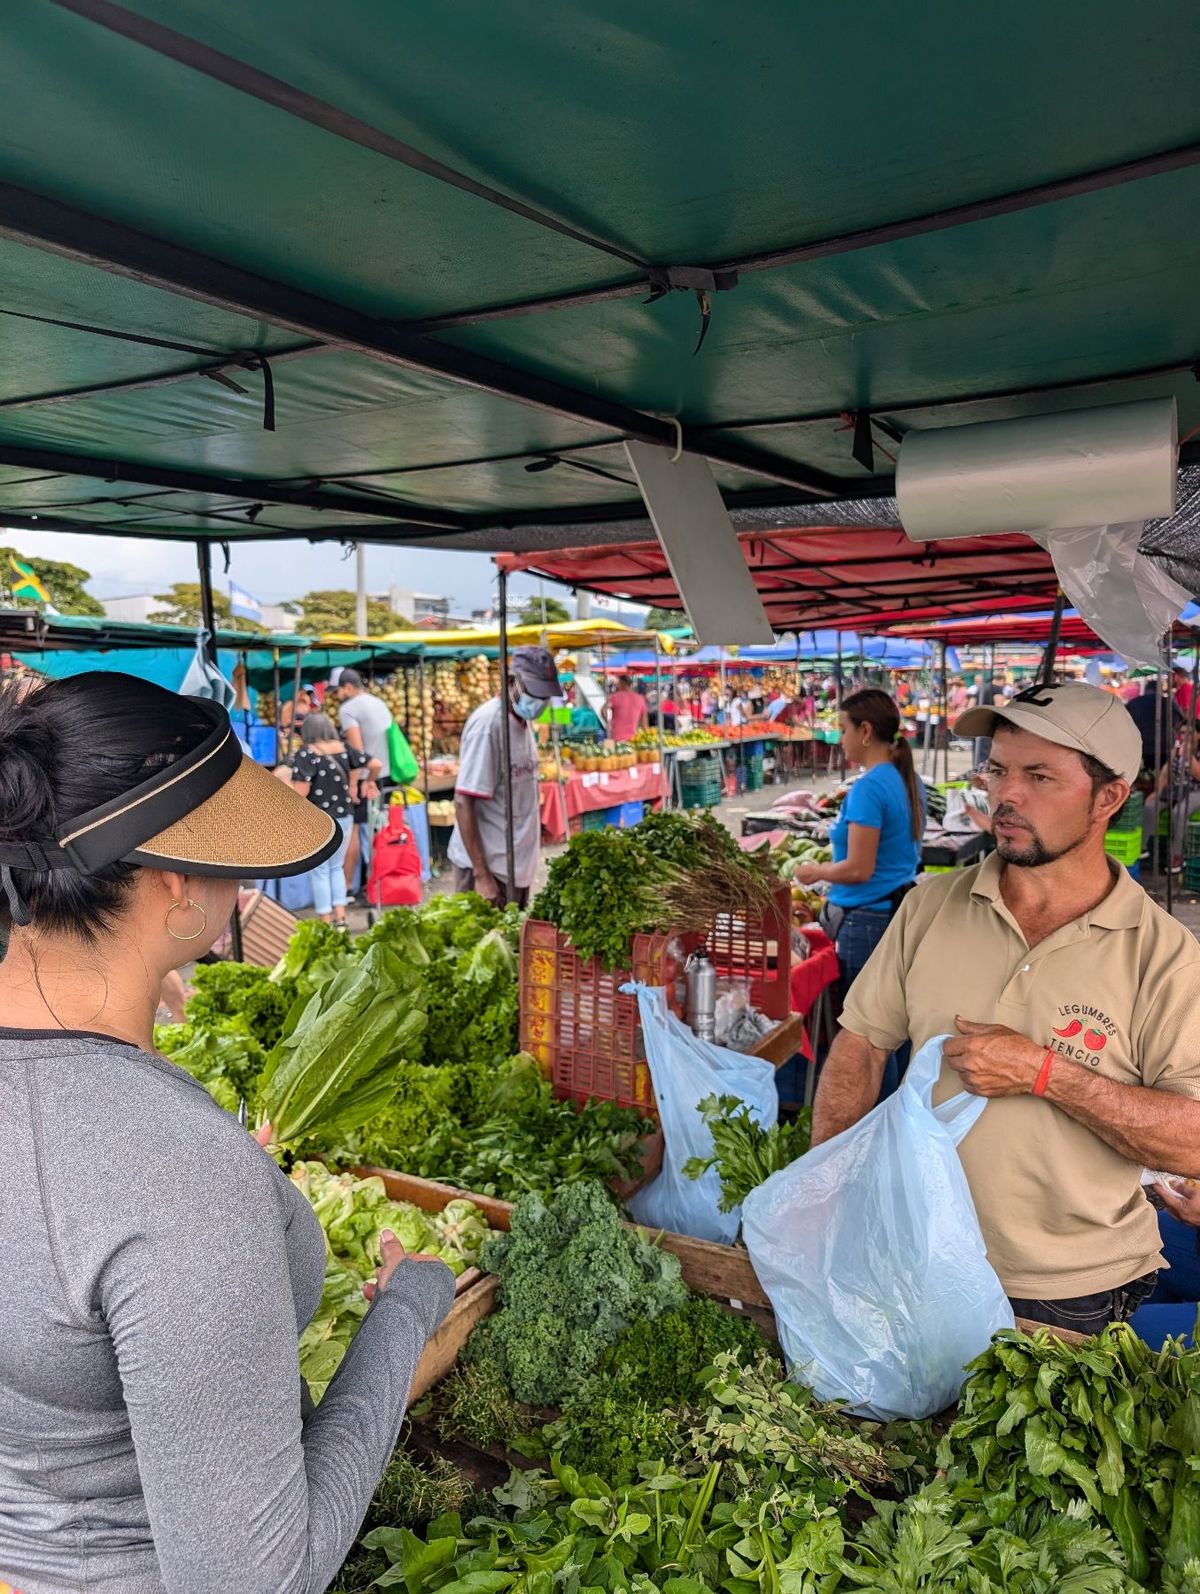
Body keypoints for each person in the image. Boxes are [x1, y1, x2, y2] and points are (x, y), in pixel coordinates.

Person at [0, 672, 454, 1592]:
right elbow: (258, 1579)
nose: (244, 885)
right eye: (230, 859)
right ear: (174, 885)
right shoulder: (174, 1176)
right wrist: (405, 1315)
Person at [812, 681, 1200, 1334]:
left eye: (1039, 776)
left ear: (1109, 797)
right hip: (914, 1254)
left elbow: (1190, 1142)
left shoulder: (1164, 956)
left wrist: (1046, 1073)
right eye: (997, 770)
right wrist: (824, 1191)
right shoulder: (929, 907)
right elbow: (862, 1044)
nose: (1005, 795)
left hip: (1066, 1290)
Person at [792, 689, 924, 1098]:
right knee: (892, 1032)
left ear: (865, 731)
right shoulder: (906, 779)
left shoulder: (870, 788)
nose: (840, 739)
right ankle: (896, 1113)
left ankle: (877, 1120)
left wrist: (814, 872)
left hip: (867, 922)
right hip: (894, 913)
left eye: (843, 729)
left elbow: (858, 869)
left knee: (869, 1042)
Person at [448, 644, 561, 907]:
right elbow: (464, 801)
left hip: (513, 865)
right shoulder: (488, 725)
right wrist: (481, 875)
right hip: (488, 869)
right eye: (535, 693)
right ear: (512, 682)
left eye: (545, 695)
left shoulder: (522, 722)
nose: (540, 702)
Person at [290, 712, 379, 925]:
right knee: (336, 867)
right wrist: (368, 782)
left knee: (320, 869)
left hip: (317, 819)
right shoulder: (344, 749)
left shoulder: (306, 754)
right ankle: (340, 916)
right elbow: (375, 763)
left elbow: (301, 792)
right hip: (344, 816)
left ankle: (325, 918)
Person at [1142, 716, 1200, 871]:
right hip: (1176, 789)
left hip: (1196, 790)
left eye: (1189, 733)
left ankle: (1177, 856)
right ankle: (1143, 847)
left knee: (1179, 812)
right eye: (1182, 733)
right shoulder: (1176, 751)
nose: (1185, 736)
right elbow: (1165, 773)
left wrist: (1189, 757)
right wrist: (1158, 791)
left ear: (1198, 735)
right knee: (1150, 805)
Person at [333, 667, 392, 777]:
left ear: (348, 687)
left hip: (367, 776)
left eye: (336, 691)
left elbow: (357, 752)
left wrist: (353, 783)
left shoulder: (347, 709)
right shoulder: (380, 703)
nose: (335, 696)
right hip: (387, 772)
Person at [1127, 675, 1180, 776]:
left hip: (1142, 747)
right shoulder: (1168, 703)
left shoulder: (1133, 703)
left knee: (1146, 775)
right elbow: (1178, 722)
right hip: (1165, 746)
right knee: (1164, 775)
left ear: (1146, 689)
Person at [606, 673, 648, 742]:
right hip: (633, 739)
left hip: (615, 736)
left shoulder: (614, 697)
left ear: (621, 683)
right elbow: (644, 724)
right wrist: (646, 737)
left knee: (611, 748)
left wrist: (608, 722)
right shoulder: (640, 699)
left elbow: (603, 710)